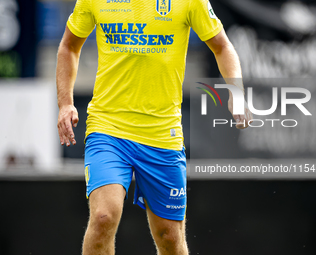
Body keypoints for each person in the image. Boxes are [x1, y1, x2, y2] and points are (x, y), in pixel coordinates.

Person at [56, 0, 252, 254]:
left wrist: (236, 92)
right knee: (104, 217)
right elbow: (69, 45)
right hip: (108, 128)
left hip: (162, 134)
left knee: (169, 236)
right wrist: (65, 103)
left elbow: (222, 46)